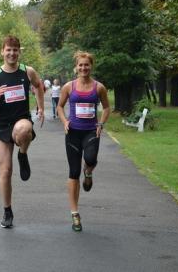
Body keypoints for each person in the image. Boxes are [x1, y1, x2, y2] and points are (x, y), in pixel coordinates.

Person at [0, 35, 45, 229]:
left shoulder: (27, 71)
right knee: (6, 171)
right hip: (2, 125)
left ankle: (23, 153)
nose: (12, 53)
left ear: (19, 52)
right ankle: (7, 210)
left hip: (21, 120)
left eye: (15, 50)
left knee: (24, 128)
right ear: (2, 51)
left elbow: (38, 86)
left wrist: (41, 106)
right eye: (8, 50)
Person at [57, 51, 111, 232]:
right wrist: (65, 122)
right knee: (73, 172)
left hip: (90, 131)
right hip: (73, 133)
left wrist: (101, 123)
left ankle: (88, 173)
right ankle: (75, 213)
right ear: (76, 67)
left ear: (91, 66)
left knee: (91, 159)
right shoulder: (69, 87)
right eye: (80, 65)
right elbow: (60, 107)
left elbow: (106, 108)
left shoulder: (99, 88)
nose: (83, 68)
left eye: (86, 65)